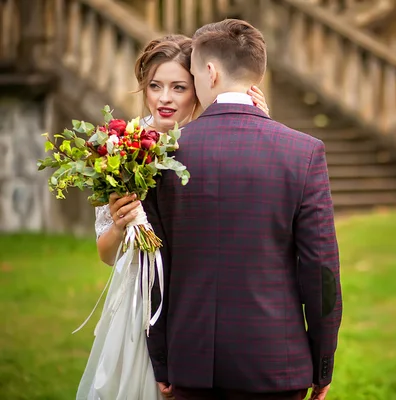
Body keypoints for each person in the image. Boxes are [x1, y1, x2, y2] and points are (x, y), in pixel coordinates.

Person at [143, 19, 343, 400]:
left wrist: (162, 359)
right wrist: (322, 363)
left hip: (191, 364)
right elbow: (321, 273)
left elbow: (155, 268)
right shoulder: (303, 152)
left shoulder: (162, 156)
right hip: (278, 365)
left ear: (210, 72)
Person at [80, 34, 269, 399]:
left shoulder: (212, 142)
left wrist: (258, 124)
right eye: (155, 86)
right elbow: (106, 255)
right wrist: (120, 225)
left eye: (178, 87)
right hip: (142, 305)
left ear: (199, 87)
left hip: (199, 301)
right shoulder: (122, 150)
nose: (165, 98)